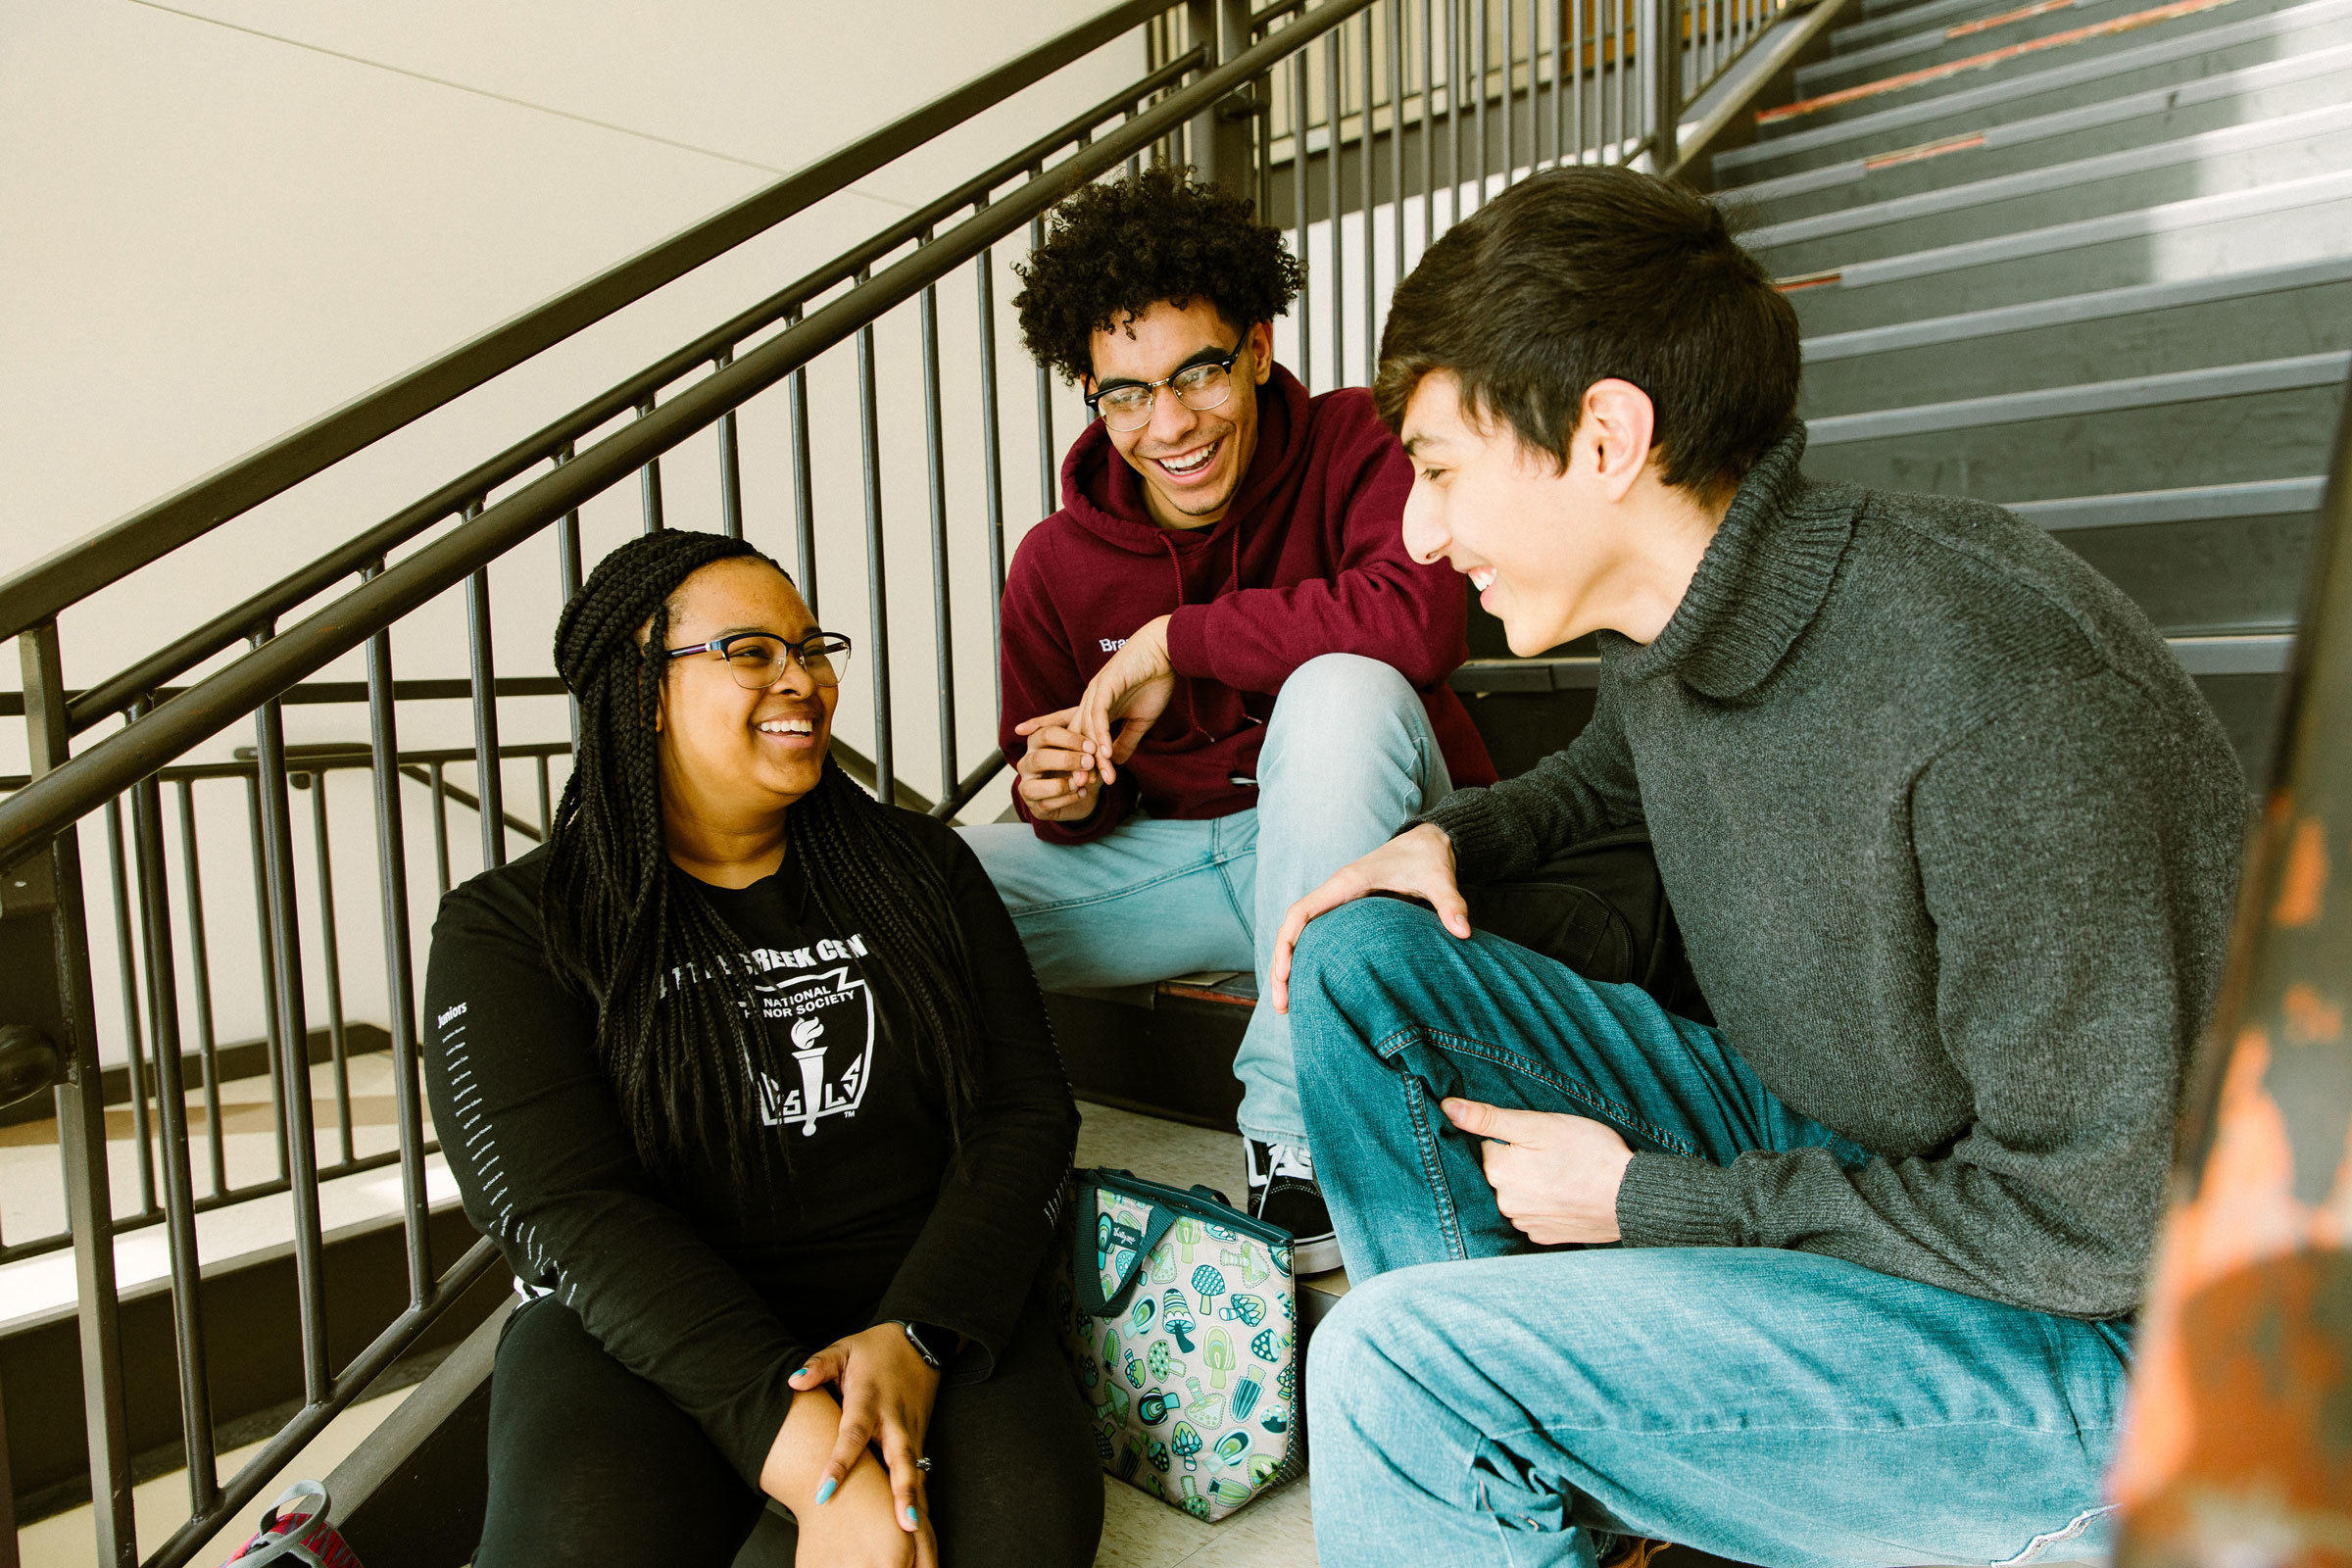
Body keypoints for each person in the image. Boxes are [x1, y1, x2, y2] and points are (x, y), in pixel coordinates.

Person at [1266, 166, 2247, 1567]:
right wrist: (1451, 835)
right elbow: (1619, 771)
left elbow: (2091, 1232)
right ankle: (1546, 1475)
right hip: (1871, 1155)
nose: (1421, 534)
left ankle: (1496, 1417)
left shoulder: (1997, 702)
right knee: (1366, 966)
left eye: (1437, 469)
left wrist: (1651, 1207)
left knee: (1394, 1370)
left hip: (2107, 1348)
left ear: (1605, 437)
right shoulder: (1689, 616)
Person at [422, 530, 1102, 1568]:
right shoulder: (514, 927)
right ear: (642, 691)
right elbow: (566, 1212)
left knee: (1025, 1527)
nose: (805, 678)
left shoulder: (924, 869)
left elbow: (1027, 1114)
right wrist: (814, 1469)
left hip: (908, 1295)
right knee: (577, 1539)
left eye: (811, 646)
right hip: (651, 1327)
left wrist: (919, 1334)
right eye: (752, 651)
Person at [959, 167, 1496, 1271]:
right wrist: (1059, 793)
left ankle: (1296, 1141)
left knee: (1340, 689)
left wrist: (1174, 638)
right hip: (1191, 867)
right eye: (1126, 393)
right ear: (1090, 391)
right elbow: (1049, 778)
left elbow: (1420, 620)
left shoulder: (1358, 442)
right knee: (912, 872)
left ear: (1256, 345)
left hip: (1390, 842)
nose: (1170, 425)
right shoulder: (1054, 564)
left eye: (1199, 372)